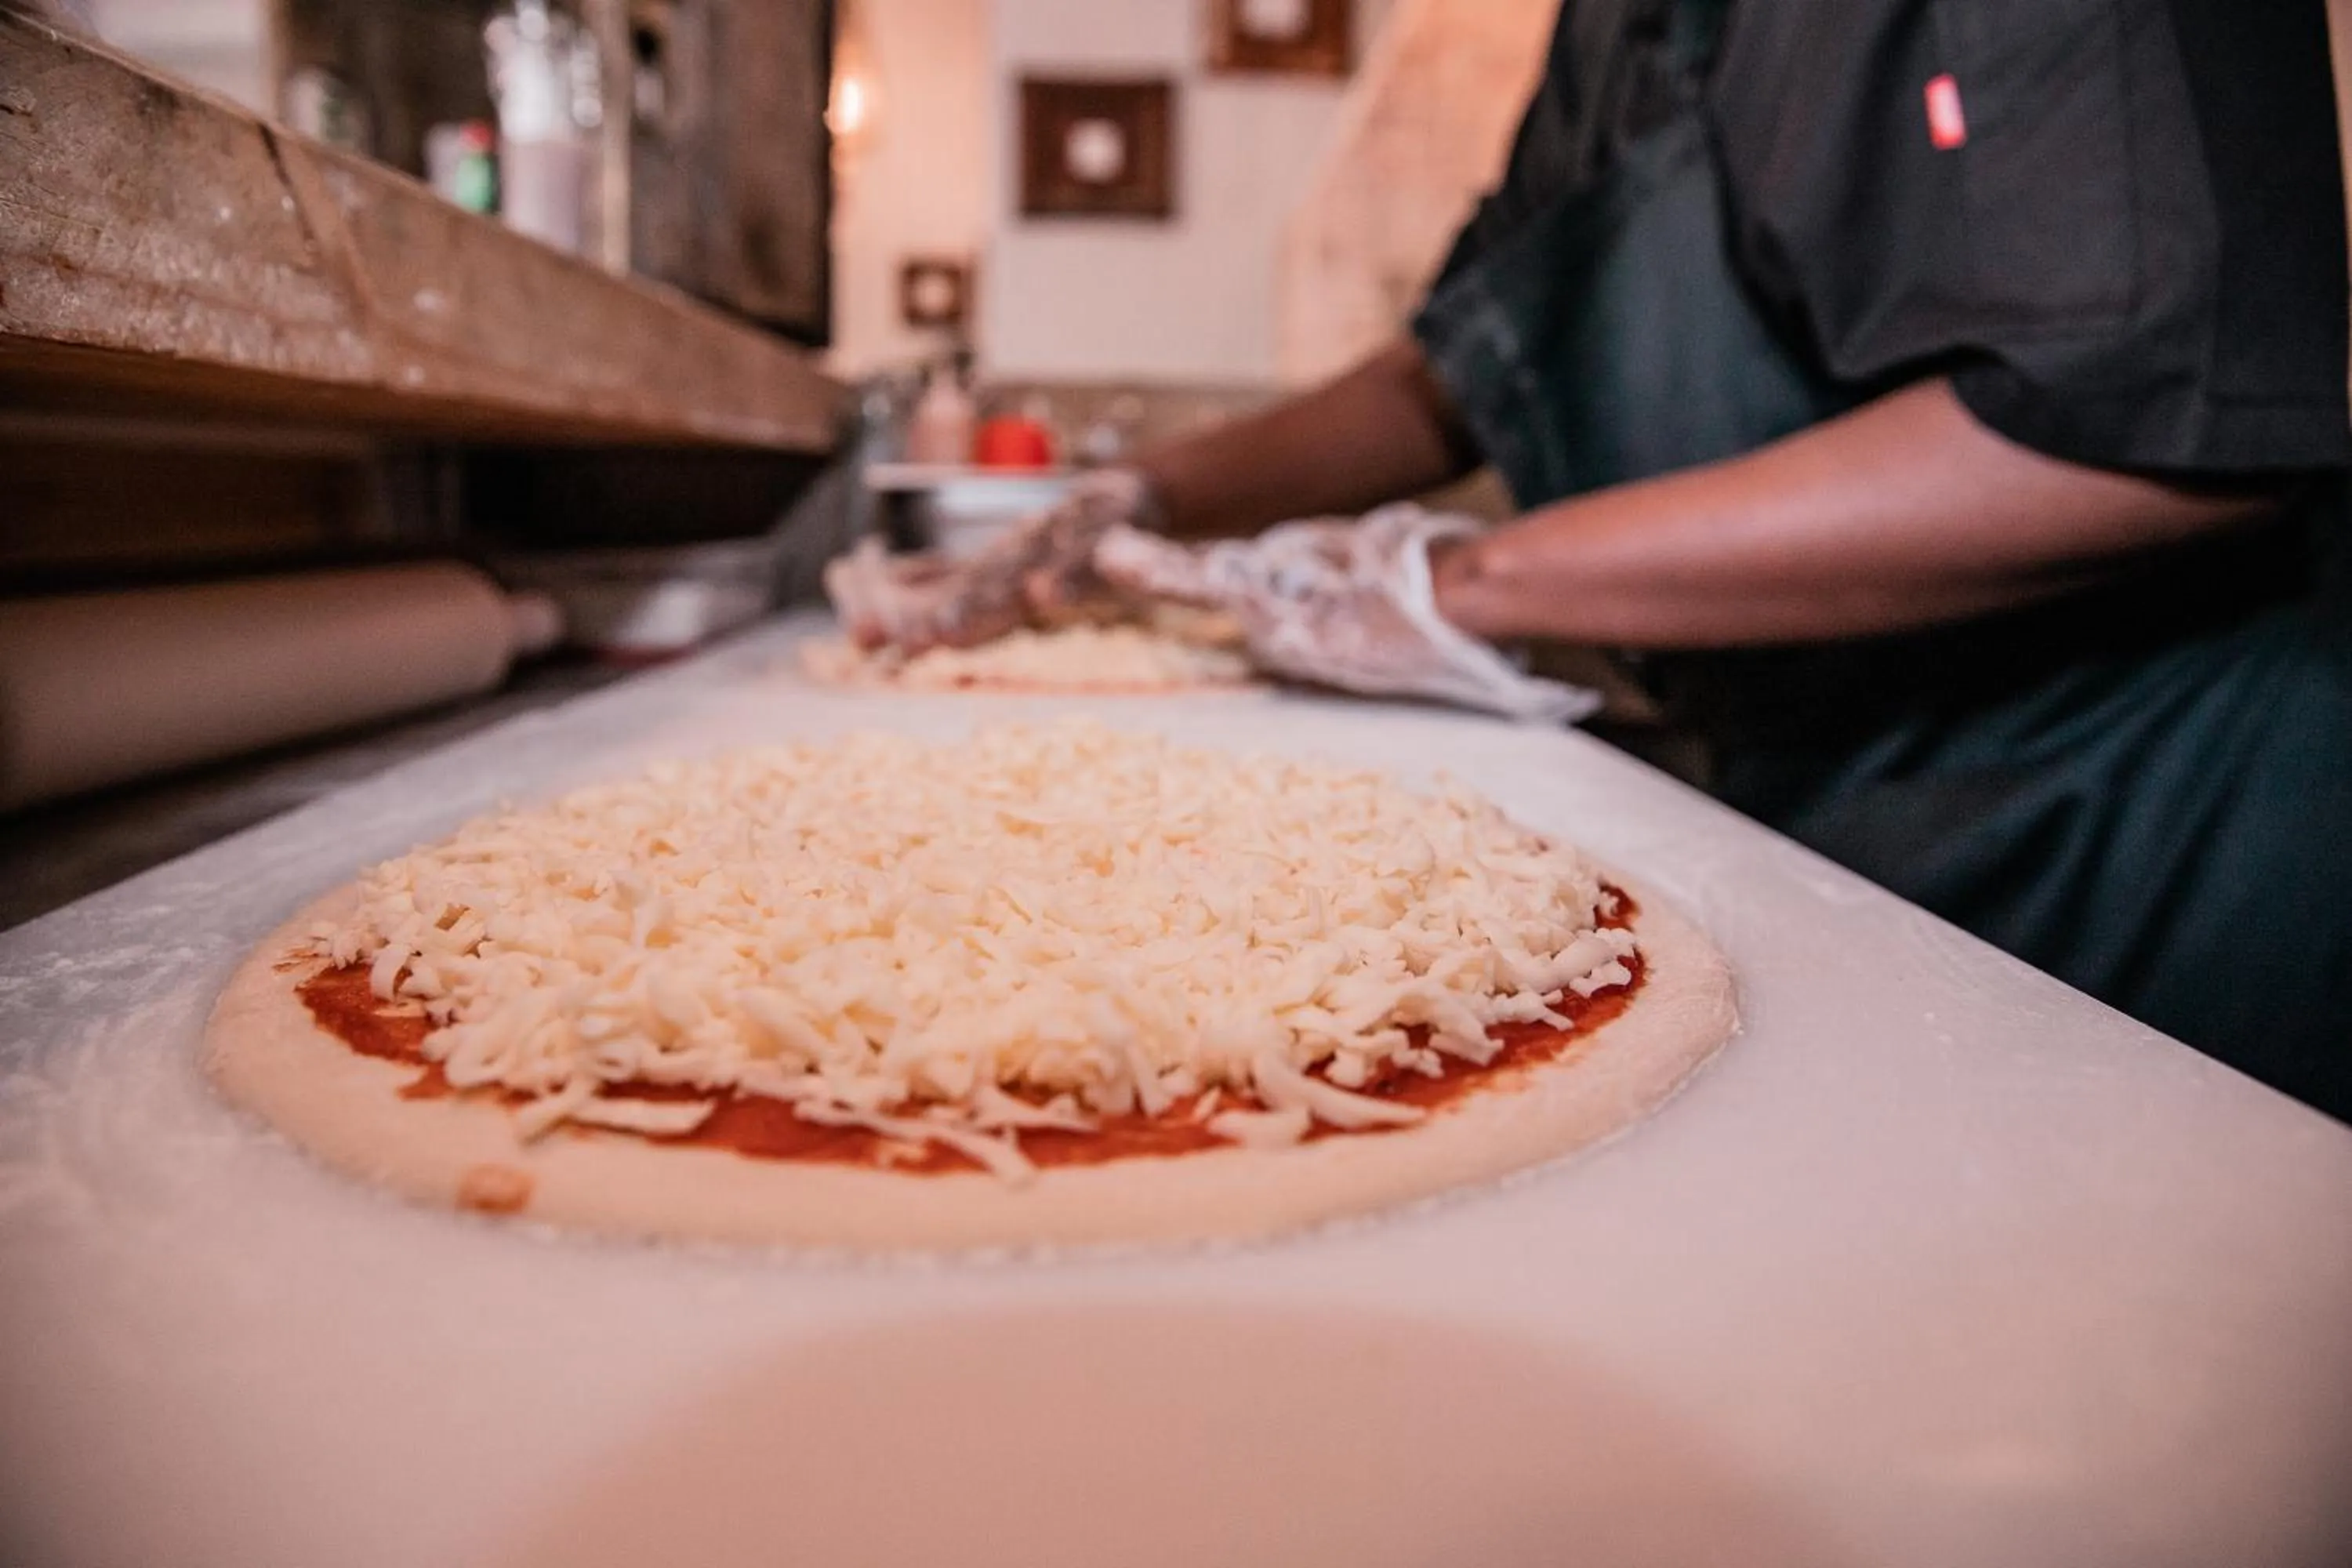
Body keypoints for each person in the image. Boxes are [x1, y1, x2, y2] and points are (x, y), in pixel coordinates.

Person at [827, 0, 2352, 1120]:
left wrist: (1459, 585)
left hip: (2143, 817)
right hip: (1827, 790)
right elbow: (1458, 364)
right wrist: (1135, 495)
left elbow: (2129, 425)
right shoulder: (1616, 29)